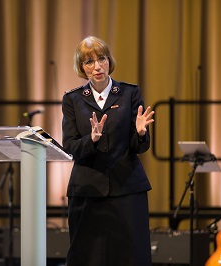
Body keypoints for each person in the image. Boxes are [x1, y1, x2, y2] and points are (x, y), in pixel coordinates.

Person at [61, 36, 154, 266]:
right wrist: (91, 140)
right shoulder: (72, 100)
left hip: (127, 189)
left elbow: (139, 146)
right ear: (81, 68)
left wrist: (141, 134)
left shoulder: (129, 93)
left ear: (109, 60)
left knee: (132, 257)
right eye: (89, 62)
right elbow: (70, 147)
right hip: (87, 191)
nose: (97, 66)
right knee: (88, 258)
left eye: (101, 59)